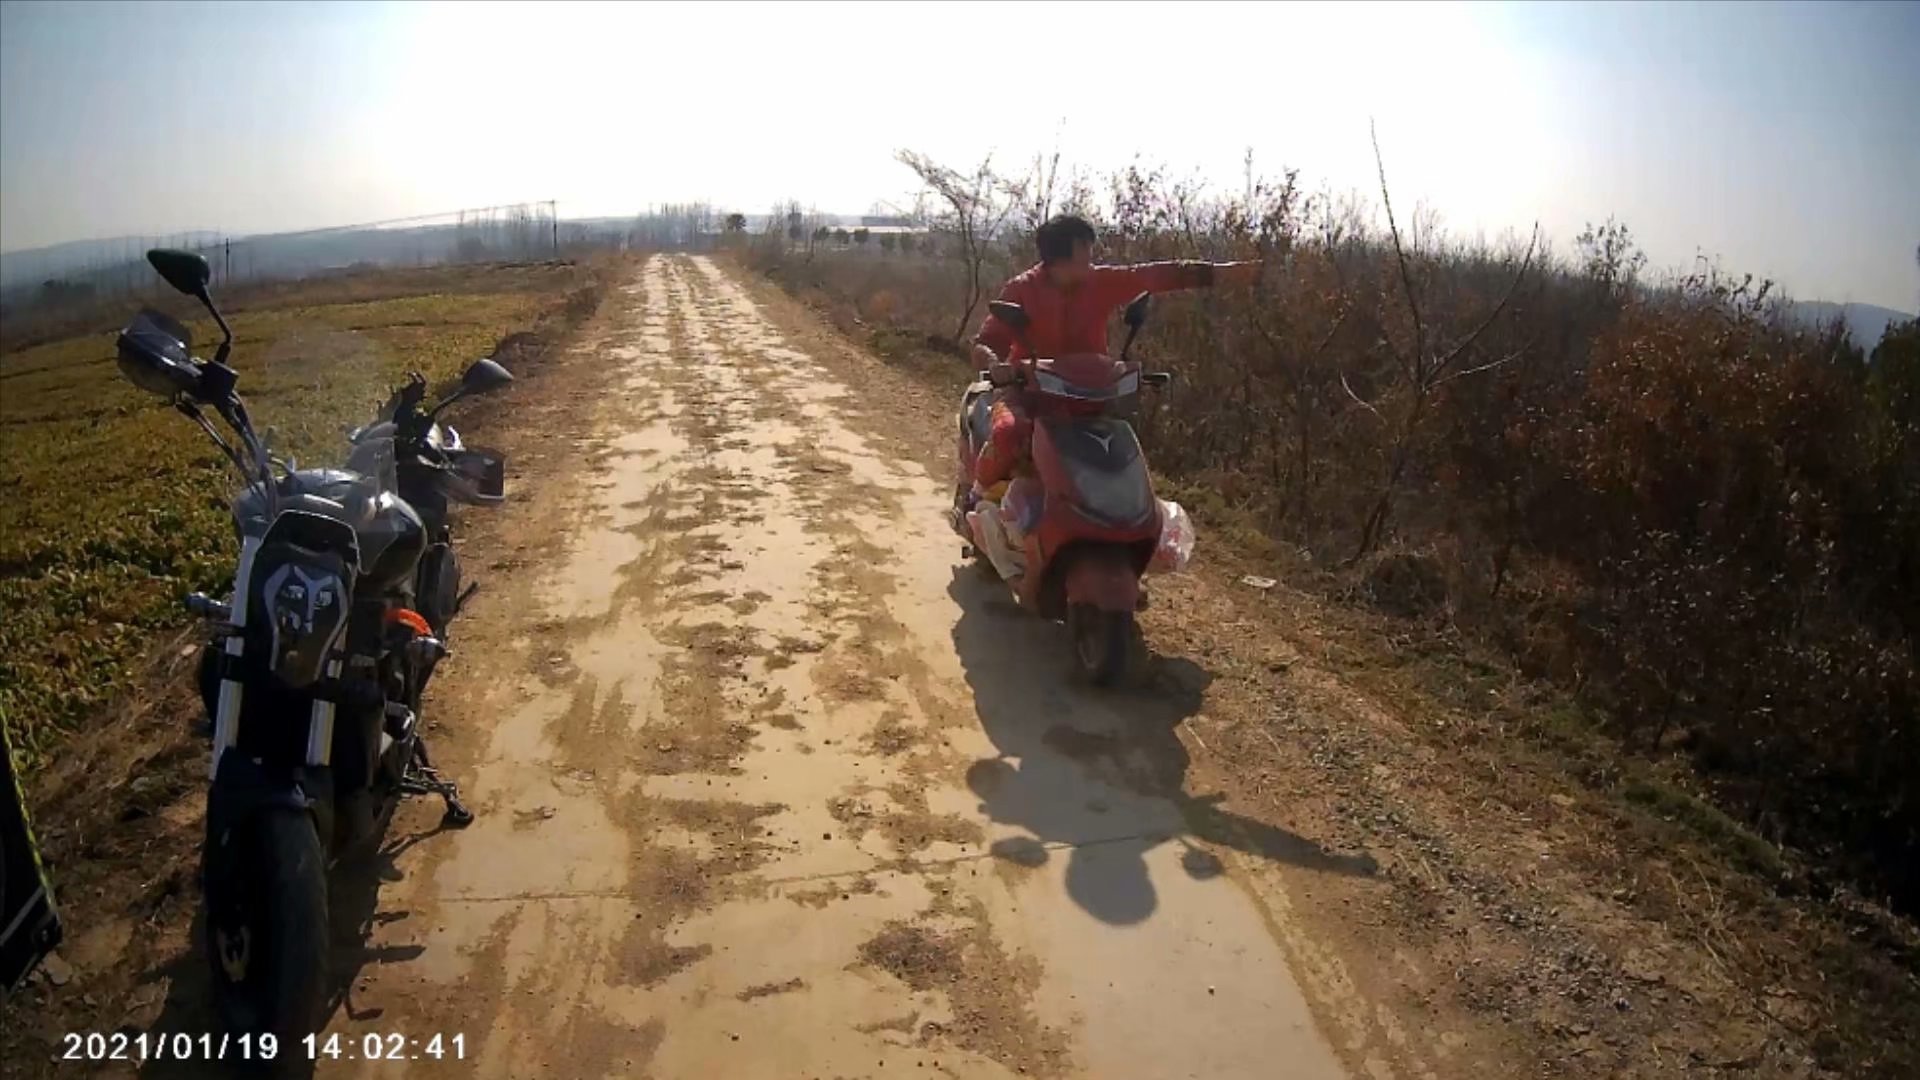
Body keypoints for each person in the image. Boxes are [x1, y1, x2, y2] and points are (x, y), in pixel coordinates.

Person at [961, 215, 1260, 587]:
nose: (1091, 263)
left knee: (1115, 453)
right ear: (1057, 260)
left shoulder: (1099, 283)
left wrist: (1216, 274)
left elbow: (1154, 275)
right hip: (1032, 395)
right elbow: (985, 341)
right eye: (1084, 255)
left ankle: (1100, 532)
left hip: (1087, 398)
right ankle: (973, 500)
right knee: (1008, 433)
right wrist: (997, 365)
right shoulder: (1022, 290)